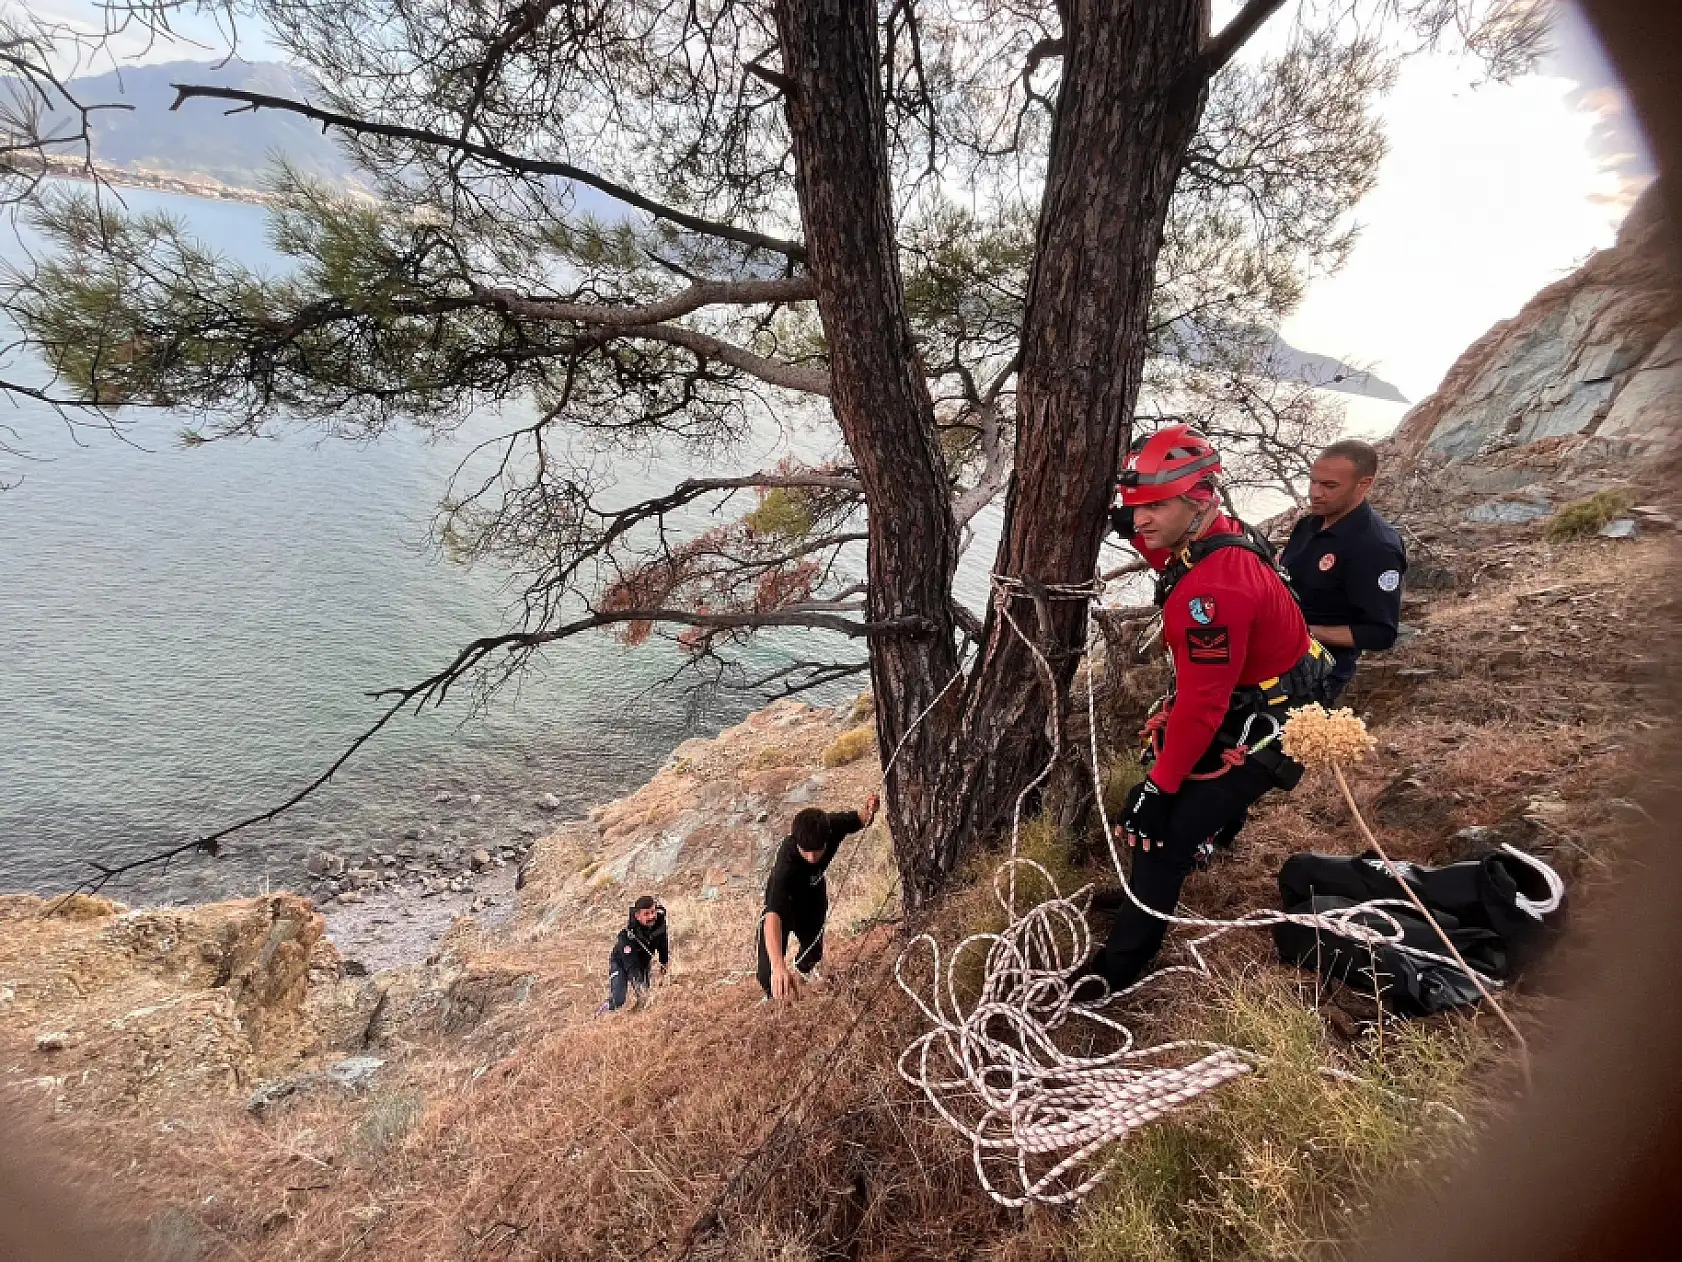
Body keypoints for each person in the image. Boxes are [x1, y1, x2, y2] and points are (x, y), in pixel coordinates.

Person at [1097, 424, 1331, 991]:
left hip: (1272, 721)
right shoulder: (1219, 534)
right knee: (1190, 804)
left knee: (1158, 832)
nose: (1142, 520)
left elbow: (1204, 704)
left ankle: (1122, 963)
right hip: (1271, 691)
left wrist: (1158, 788)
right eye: (1135, 508)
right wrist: (1132, 517)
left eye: (1155, 505)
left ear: (1199, 499)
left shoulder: (1213, 593)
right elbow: (1160, 549)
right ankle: (1207, 840)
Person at [1280, 439, 1407, 702]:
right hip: (1271, 660)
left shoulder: (1375, 547)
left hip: (1314, 678)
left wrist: (1298, 632)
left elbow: (1380, 633)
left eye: (1329, 486)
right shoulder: (1309, 524)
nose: (1315, 493)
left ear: (1364, 484)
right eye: (1313, 481)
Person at [758, 794, 880, 1002]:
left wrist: (870, 809)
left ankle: (803, 969)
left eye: (818, 851)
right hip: (785, 905)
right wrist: (778, 966)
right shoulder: (784, 869)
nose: (812, 858)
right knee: (768, 972)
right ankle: (774, 996)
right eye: (805, 851)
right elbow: (773, 916)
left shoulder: (831, 826)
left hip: (813, 898)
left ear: (828, 836)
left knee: (813, 952)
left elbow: (861, 819)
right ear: (795, 842)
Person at [604, 895, 669, 1013]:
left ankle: (635, 1017)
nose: (651, 917)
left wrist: (664, 965)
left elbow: (663, 946)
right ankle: (602, 1012)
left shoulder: (660, 925)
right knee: (618, 1000)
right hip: (622, 964)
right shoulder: (627, 936)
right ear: (637, 916)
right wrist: (639, 985)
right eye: (646, 914)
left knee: (645, 1000)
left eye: (653, 912)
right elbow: (631, 966)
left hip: (643, 963)